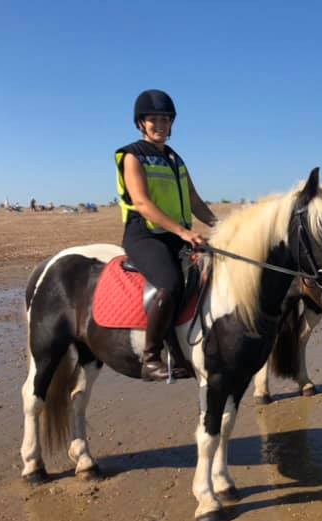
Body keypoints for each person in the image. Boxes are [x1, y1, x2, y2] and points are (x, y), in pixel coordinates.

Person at [115, 89, 217, 381]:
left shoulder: (176, 159)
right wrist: (184, 232)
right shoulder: (132, 156)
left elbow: (195, 200)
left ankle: (188, 345)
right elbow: (143, 203)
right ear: (141, 124)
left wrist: (220, 226)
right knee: (170, 285)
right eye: (153, 120)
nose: (159, 125)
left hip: (176, 236)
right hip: (145, 236)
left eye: (165, 119)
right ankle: (150, 356)